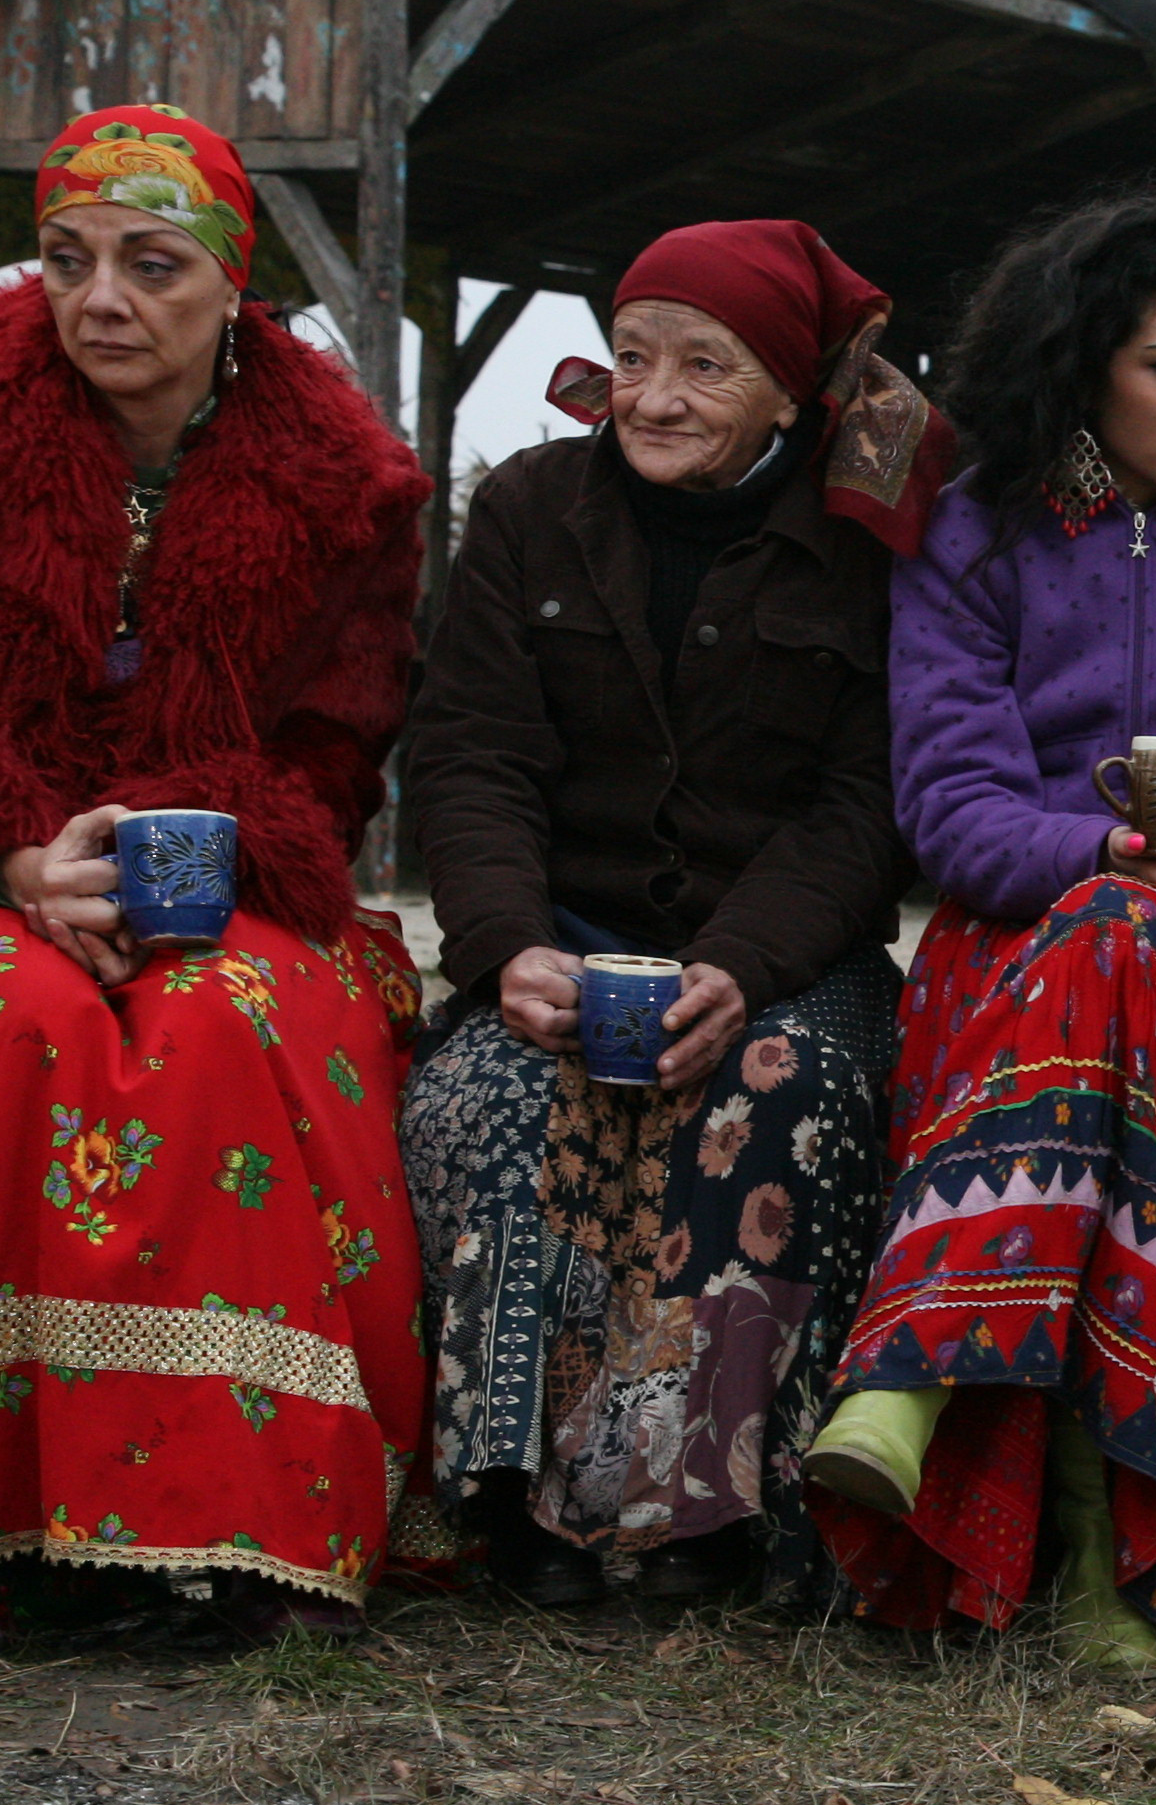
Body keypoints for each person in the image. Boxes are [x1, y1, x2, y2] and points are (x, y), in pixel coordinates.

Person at [0, 105, 429, 1646]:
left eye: (150, 262)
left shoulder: (349, 487)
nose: (101, 298)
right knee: (7, 1009)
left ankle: (212, 1527)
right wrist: (2, 858)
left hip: (210, 881)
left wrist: (166, 861)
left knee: (223, 1021)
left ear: (233, 282)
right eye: (67, 259)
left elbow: (332, 755)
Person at [801, 191, 1156, 1672]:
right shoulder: (975, 530)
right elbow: (950, 807)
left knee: (1124, 953)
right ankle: (1121, 1547)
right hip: (1018, 939)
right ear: (1082, 362)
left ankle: (914, 1373)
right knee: (1111, 941)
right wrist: (1104, 853)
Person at [400, 222, 942, 1612]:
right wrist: (504, 946)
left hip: (783, 955)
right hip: (562, 932)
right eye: (634, 356)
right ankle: (512, 1497)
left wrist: (739, 966)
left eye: (706, 365)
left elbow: (867, 800)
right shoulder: (531, 507)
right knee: (488, 1095)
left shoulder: (867, 540)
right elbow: (471, 751)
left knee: (783, 1093)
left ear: (791, 391)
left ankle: (706, 1511)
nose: (652, 396)